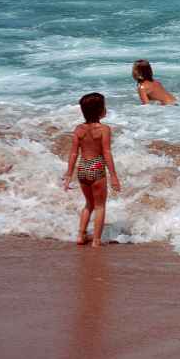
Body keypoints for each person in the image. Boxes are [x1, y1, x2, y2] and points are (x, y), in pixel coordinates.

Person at [60, 93, 122, 247]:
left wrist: (69, 174)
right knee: (100, 206)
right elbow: (106, 152)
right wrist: (113, 175)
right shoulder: (104, 129)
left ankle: (81, 235)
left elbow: (74, 152)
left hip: (82, 167)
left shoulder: (78, 129)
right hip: (97, 166)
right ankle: (96, 240)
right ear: (101, 111)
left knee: (89, 204)